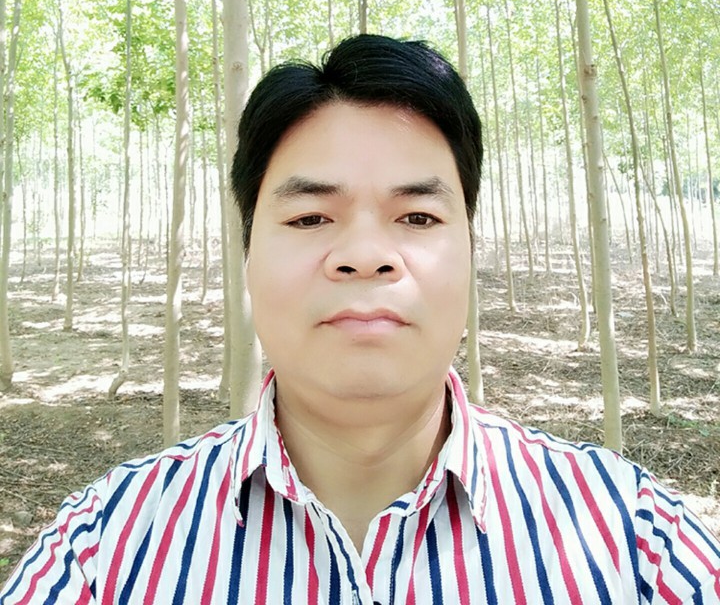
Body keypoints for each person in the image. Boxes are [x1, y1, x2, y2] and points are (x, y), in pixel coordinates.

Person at [2, 34, 718, 605]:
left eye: (418, 217)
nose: (366, 256)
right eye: (311, 217)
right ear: (247, 255)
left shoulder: (637, 541)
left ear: (471, 251)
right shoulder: (105, 548)